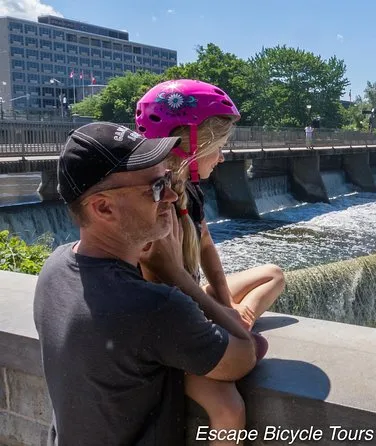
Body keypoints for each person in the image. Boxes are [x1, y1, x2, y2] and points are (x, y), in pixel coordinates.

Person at [33, 122, 259, 445]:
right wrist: (177, 275)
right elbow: (243, 355)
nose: (171, 196)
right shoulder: (152, 307)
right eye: (155, 188)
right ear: (103, 207)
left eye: (166, 179)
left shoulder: (54, 269)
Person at [135, 79, 285, 440]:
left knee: (274, 274)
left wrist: (225, 303)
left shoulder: (189, 190)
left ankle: (241, 315)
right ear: (190, 143)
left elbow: (205, 246)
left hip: (192, 296)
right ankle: (241, 320)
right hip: (164, 322)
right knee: (228, 409)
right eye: (218, 147)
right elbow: (161, 289)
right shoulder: (155, 205)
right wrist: (219, 319)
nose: (222, 157)